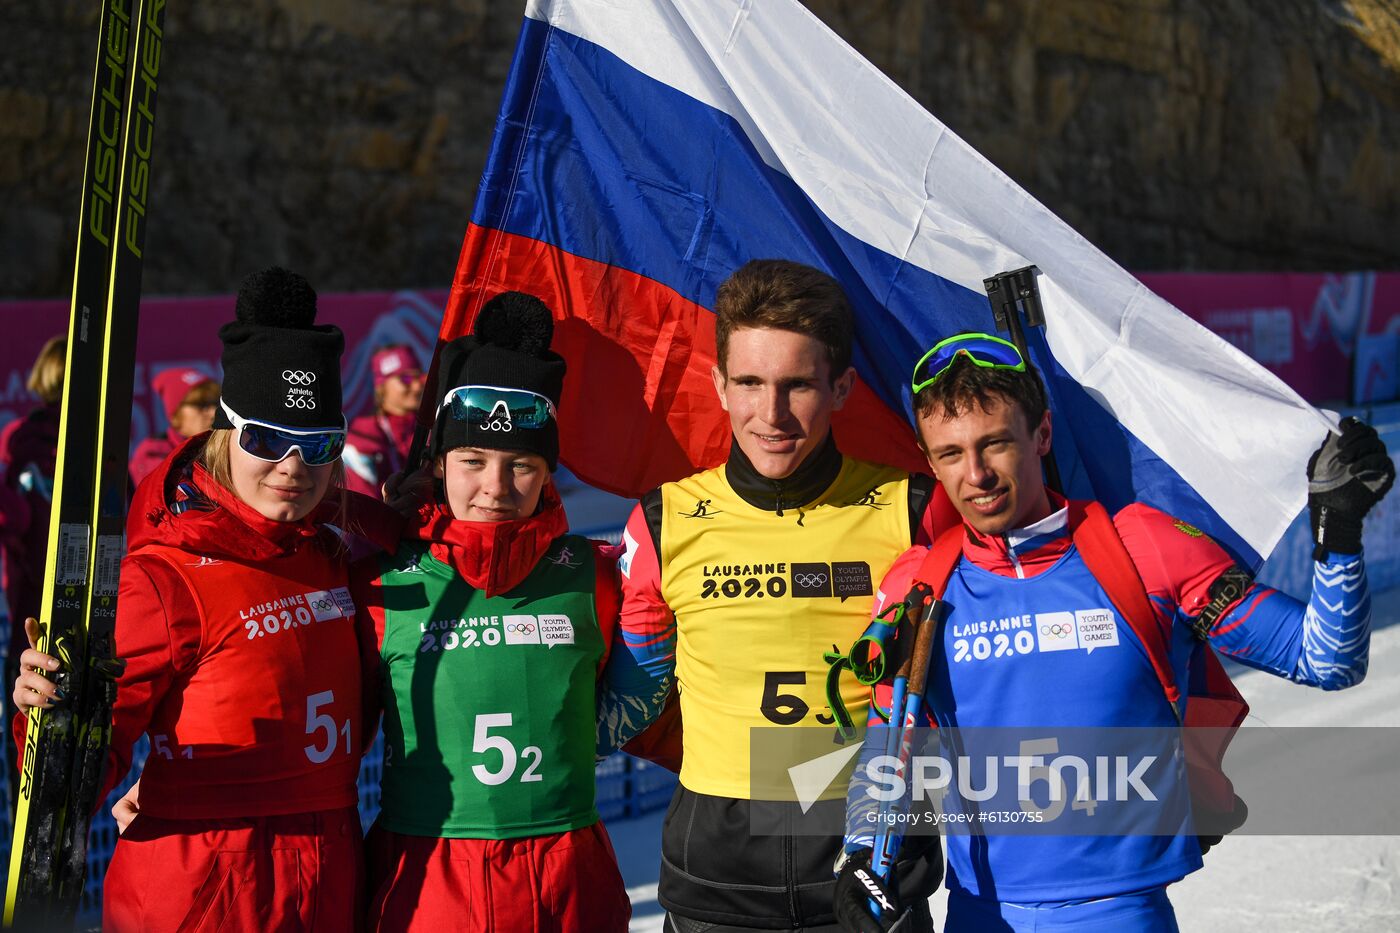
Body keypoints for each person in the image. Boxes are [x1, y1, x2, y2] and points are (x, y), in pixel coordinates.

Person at [832, 332, 1393, 933]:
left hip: (1122, 915)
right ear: (928, 457)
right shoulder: (919, 585)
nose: (976, 475)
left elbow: (1327, 659)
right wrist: (862, 854)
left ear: (1041, 434)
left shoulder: (1142, 547)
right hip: (980, 916)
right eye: (950, 454)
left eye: (995, 444)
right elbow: (887, 749)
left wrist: (1338, 533)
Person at [12, 268, 399, 931]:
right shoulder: (165, 577)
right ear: (226, 434)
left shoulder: (336, 554)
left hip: (328, 880)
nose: (292, 467)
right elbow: (72, 775)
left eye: (317, 445)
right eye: (267, 439)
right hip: (206, 894)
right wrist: (43, 713)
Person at [616, 260, 952, 932]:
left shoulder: (915, 507)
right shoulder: (660, 520)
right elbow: (625, 702)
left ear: (842, 387)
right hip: (718, 883)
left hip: (868, 869)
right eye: (749, 382)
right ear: (719, 385)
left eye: (797, 385)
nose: (770, 414)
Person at [354, 292, 636, 932]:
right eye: (473, 462)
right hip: (427, 881)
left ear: (548, 473)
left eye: (522, 466)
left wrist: (806, 783)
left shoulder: (593, 573)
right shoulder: (378, 578)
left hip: (568, 881)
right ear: (440, 464)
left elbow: (670, 707)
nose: (495, 488)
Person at [1, 334, 64, 805]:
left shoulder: (102, 442)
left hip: (97, 608)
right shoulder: (22, 441)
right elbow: (14, 520)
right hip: (33, 614)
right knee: (31, 735)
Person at [343, 345, 425, 498]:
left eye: (420, 377)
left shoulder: (429, 431)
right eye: (406, 379)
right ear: (381, 386)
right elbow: (361, 507)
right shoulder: (361, 439)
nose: (417, 386)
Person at [128, 367, 220, 488]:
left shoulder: (222, 446)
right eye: (202, 405)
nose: (214, 413)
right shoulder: (153, 453)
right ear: (176, 413)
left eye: (216, 403)